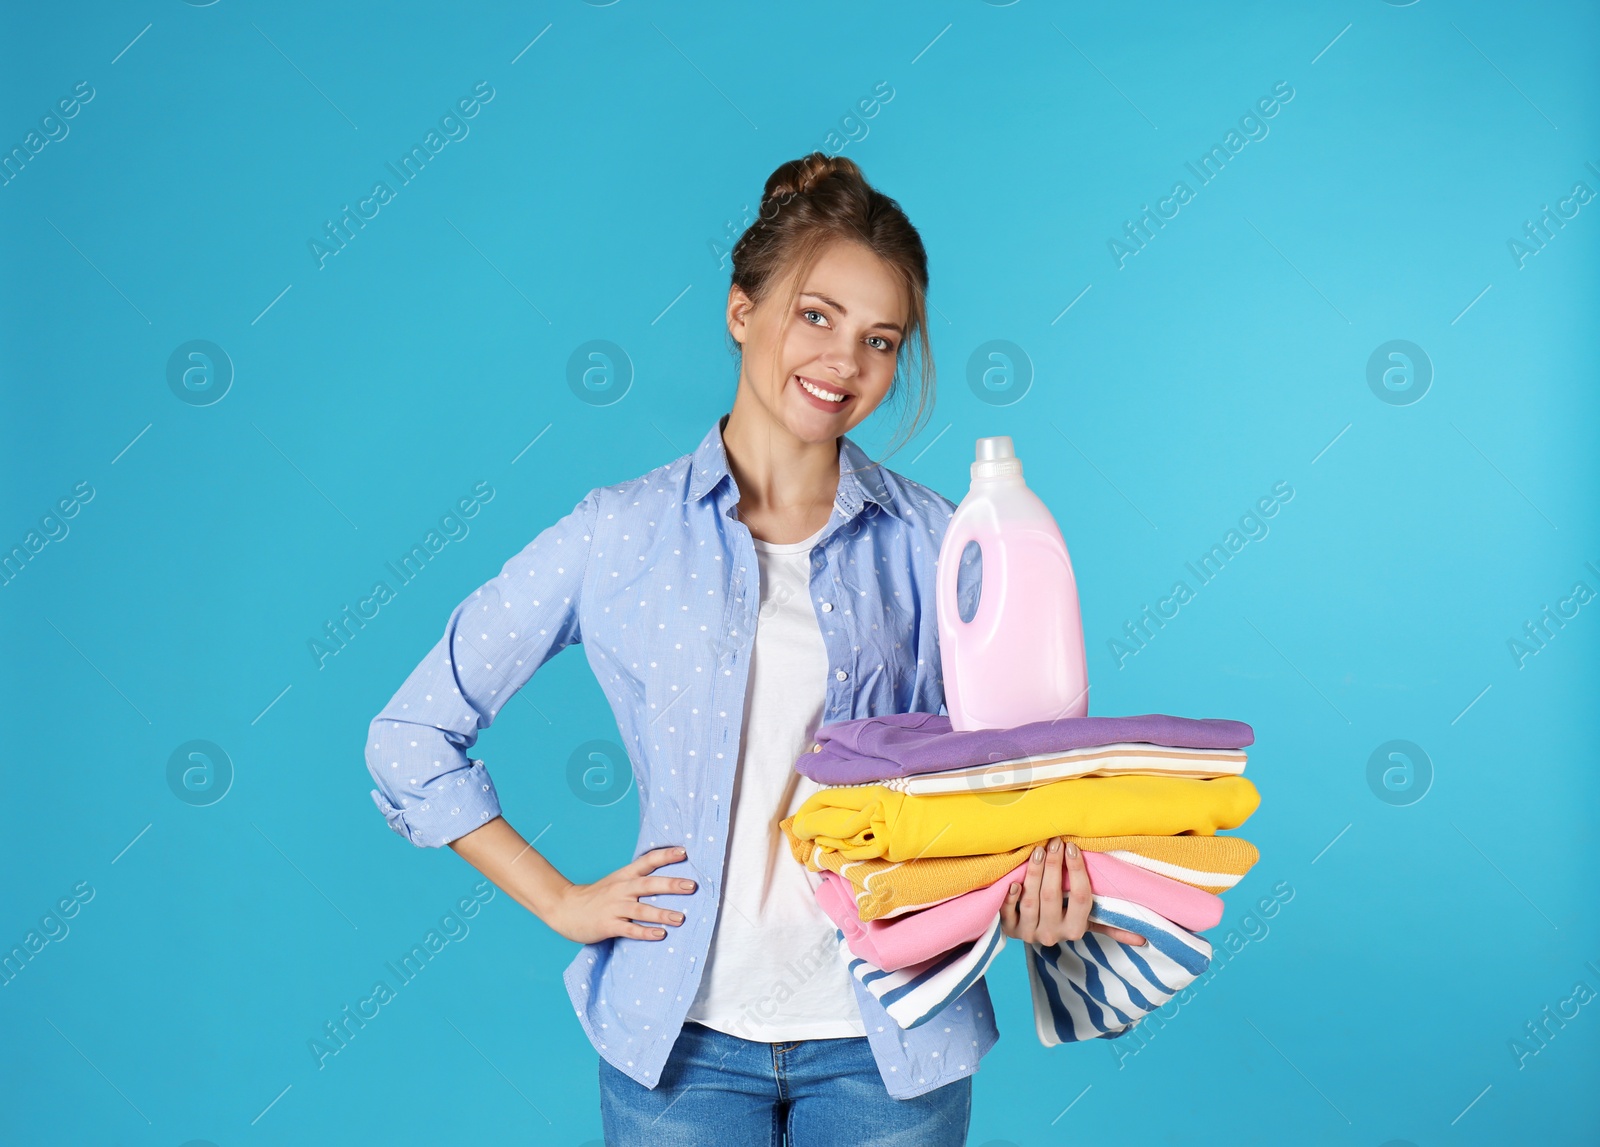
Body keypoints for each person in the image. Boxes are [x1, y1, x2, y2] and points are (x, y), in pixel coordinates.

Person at [364, 151, 1140, 1147]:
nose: (843, 362)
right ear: (741, 310)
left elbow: (1027, 776)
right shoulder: (621, 534)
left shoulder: (941, 542)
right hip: (680, 1047)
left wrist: (1039, 889)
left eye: (880, 339)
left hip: (890, 1041)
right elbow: (411, 735)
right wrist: (558, 899)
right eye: (815, 315)